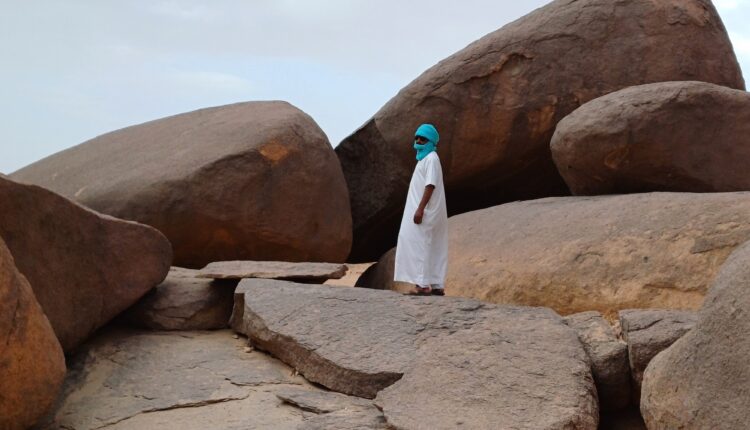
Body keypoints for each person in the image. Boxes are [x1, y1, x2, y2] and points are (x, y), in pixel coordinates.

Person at [394, 123, 448, 296]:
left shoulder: (431, 158)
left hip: (425, 212)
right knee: (431, 246)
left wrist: (420, 209)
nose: (418, 141)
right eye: (416, 137)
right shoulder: (425, 159)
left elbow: (430, 185)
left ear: (431, 141)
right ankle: (436, 284)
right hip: (427, 211)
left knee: (419, 244)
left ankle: (422, 285)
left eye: (423, 138)